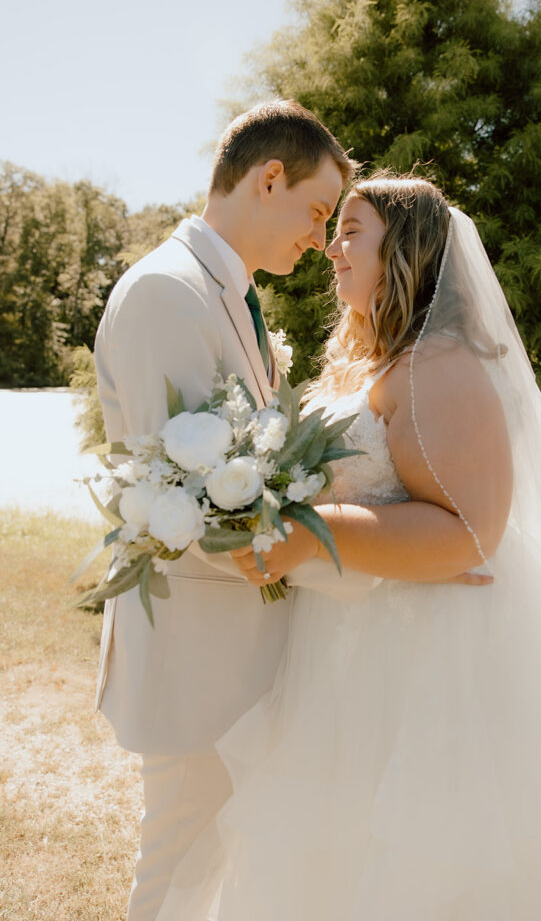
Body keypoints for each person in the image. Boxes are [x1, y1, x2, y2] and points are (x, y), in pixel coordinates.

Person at [158, 173, 541, 920]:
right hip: (345, 648)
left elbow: (469, 532)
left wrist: (307, 533)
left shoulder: (442, 364)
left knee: (429, 869)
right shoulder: (373, 364)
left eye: (350, 232)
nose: (330, 250)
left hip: (432, 664)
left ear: (404, 249)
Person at [93, 99, 356, 921]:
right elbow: (178, 497)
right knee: (178, 864)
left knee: (220, 871)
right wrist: (341, 565)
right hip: (196, 653)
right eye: (317, 211)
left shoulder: (227, 293)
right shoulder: (166, 294)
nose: (319, 239)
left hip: (238, 647)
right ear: (266, 177)